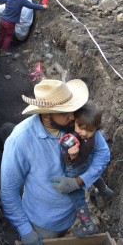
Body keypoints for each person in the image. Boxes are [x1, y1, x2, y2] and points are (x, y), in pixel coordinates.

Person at [0, 79, 110, 244]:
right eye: (64, 113)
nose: (72, 116)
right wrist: (25, 230)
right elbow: (9, 191)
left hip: (72, 213)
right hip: (42, 224)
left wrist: (80, 181)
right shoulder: (20, 141)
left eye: (72, 109)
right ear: (46, 114)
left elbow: (103, 154)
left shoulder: (79, 123)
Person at [57, 101, 113, 237]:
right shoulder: (69, 136)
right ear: (74, 121)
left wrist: (72, 157)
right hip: (84, 164)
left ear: (96, 127)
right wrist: (71, 155)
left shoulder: (94, 136)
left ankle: (87, 225)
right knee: (95, 177)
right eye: (80, 127)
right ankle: (104, 190)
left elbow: (67, 161)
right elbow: (63, 155)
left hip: (75, 170)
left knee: (78, 198)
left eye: (89, 130)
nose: (83, 133)